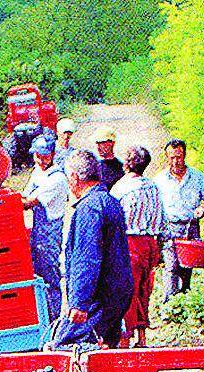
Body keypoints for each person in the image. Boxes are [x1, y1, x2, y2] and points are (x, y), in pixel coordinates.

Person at [51, 149, 133, 349]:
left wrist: (79, 302)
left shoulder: (89, 208)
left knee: (68, 345)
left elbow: (87, 257)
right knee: (105, 347)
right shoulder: (110, 201)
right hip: (117, 291)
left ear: (74, 177)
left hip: (99, 295)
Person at [110, 146, 167, 347]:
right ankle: (142, 336)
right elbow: (162, 220)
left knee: (127, 291)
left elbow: (114, 219)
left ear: (127, 164)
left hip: (130, 242)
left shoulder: (121, 188)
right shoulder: (153, 187)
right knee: (144, 289)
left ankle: (125, 336)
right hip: (150, 243)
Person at [155, 138, 204, 301]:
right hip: (169, 227)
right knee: (171, 265)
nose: (176, 161)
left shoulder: (196, 176)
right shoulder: (160, 180)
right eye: (172, 157)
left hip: (190, 226)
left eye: (179, 157)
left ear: (184, 156)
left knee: (187, 265)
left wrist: (202, 207)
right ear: (167, 158)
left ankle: (185, 297)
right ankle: (169, 301)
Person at [21, 135, 67, 321]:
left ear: (53, 155)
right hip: (37, 230)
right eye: (37, 156)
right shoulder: (37, 172)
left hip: (49, 233)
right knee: (36, 275)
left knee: (49, 276)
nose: (40, 160)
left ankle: (54, 318)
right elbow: (24, 194)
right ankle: (42, 316)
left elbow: (29, 202)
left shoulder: (57, 179)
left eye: (45, 156)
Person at [93, 126, 124, 190]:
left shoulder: (122, 167)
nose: (99, 147)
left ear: (112, 143)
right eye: (98, 143)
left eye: (102, 143)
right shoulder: (95, 167)